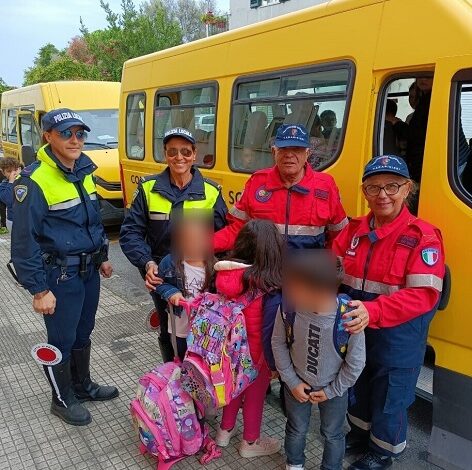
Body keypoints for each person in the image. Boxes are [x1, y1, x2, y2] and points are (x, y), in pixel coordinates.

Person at [332, 155, 445, 470]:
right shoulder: (353, 231)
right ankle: (360, 435)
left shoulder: (423, 236)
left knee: (389, 398)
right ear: (365, 191)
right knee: (359, 385)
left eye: (392, 186)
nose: (383, 195)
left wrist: (373, 310)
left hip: (399, 336)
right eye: (374, 187)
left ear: (407, 188)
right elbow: (332, 268)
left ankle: (383, 452)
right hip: (356, 327)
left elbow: (423, 295)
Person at [11, 108, 118, 427]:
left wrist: (102, 256)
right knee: (61, 339)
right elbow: (23, 243)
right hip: (58, 277)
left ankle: (82, 387)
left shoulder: (85, 171)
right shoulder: (34, 181)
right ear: (48, 136)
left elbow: (93, 221)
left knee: (84, 332)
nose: (75, 140)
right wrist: (39, 289)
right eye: (66, 133)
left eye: (80, 134)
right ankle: (61, 398)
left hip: (88, 273)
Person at [120, 127, 227, 362]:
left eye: (186, 152)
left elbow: (224, 236)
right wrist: (147, 263)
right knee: (169, 327)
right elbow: (131, 233)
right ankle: (173, 378)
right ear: (165, 154)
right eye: (173, 151)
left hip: (202, 273)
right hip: (163, 274)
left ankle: (204, 376)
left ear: (195, 154)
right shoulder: (147, 189)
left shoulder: (211, 191)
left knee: (206, 327)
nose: (179, 157)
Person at [271, 250, 366, 470]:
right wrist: (292, 382)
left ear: (319, 291)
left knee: (333, 434)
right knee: (296, 428)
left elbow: (355, 364)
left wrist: (332, 390)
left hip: (334, 390)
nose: (287, 290)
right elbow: (278, 343)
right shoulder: (288, 308)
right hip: (296, 384)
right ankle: (294, 464)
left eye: (294, 286)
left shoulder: (349, 318)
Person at [214, 124, 348, 252]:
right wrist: (203, 246)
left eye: (296, 149)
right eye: (283, 149)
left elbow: (341, 236)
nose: (289, 155)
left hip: (307, 271)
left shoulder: (325, 185)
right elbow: (237, 229)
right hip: (264, 269)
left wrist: (329, 265)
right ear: (274, 152)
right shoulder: (257, 182)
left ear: (307, 154)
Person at [214, 219, 283, 458]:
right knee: (254, 397)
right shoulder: (267, 283)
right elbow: (268, 330)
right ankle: (250, 443)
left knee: (232, 390)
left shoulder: (225, 275)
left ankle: (225, 431)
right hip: (255, 355)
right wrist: (274, 365)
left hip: (227, 351)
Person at [154, 213, 215, 361]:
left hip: (205, 328)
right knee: (182, 358)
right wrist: (171, 292)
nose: (194, 245)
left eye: (199, 240)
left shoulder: (213, 265)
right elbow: (159, 283)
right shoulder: (169, 263)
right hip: (180, 327)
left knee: (203, 360)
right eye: (188, 240)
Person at [405, 77, 433, 184]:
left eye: (427, 76)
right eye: (419, 76)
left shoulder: (433, 100)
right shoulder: (425, 101)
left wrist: (396, 123)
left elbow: (416, 135)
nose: (423, 79)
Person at [0, 157, 23, 231]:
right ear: (3, 172)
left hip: (27, 219)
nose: (13, 173)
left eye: (15, 170)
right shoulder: (3, 186)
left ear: (19, 169)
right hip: (13, 220)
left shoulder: (26, 182)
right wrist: (11, 182)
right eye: (9, 171)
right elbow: (8, 200)